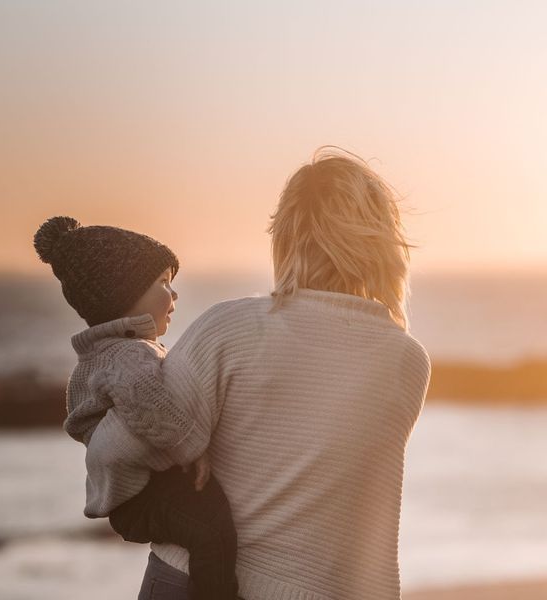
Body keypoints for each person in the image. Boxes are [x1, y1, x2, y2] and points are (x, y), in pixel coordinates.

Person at [104, 147, 432, 600]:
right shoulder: (406, 361)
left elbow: (125, 448)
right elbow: (364, 516)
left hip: (190, 581)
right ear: (382, 243)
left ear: (286, 236)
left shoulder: (228, 327)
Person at [33, 216, 239, 600]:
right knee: (211, 525)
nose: (174, 294)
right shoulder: (128, 356)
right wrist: (193, 451)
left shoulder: (103, 353)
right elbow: (153, 408)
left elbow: (83, 419)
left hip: (134, 496)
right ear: (122, 295)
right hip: (140, 499)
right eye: (162, 282)